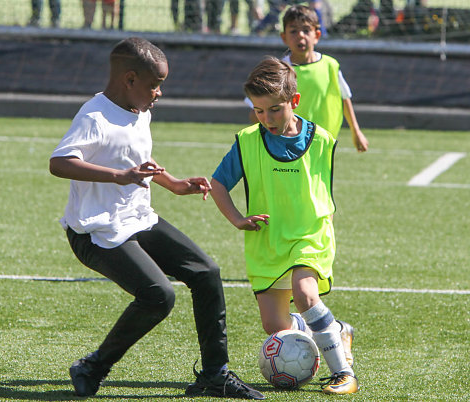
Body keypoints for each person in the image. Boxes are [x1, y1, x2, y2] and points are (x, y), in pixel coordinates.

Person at [49, 37, 264, 400]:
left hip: (137, 219)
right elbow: (59, 163)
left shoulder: (139, 109)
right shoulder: (93, 115)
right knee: (158, 295)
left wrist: (175, 184)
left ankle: (216, 374)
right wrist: (118, 177)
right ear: (129, 79)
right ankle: (93, 366)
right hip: (96, 231)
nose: (158, 93)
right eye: (154, 85)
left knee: (206, 273)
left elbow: (136, 159)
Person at [210, 56, 359, 395]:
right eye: (259, 111)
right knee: (274, 326)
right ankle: (336, 329)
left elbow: (323, 192)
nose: (267, 119)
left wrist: (324, 225)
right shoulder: (248, 141)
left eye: (275, 109)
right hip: (267, 240)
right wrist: (237, 219)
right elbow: (218, 184)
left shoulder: (321, 139)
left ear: (294, 101)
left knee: (306, 293)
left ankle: (344, 373)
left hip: (309, 235)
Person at [250, 5, 368, 152]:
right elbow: (256, 109)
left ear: (317, 35)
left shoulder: (330, 65)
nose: (300, 35)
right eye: (293, 31)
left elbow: (344, 98)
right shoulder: (279, 71)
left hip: (322, 143)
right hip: (289, 145)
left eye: (306, 30)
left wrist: (356, 131)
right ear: (284, 37)